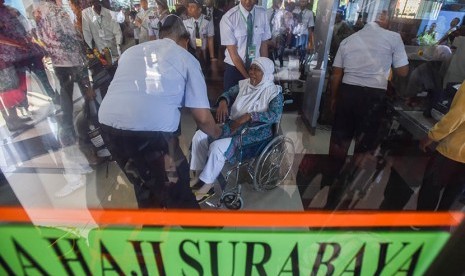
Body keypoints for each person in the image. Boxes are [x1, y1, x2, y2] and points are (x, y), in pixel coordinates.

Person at [98, 15, 221, 209]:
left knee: (142, 181)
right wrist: (218, 133)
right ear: (185, 40)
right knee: (179, 191)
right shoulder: (186, 58)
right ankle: (201, 234)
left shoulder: (132, 52)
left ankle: (152, 229)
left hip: (107, 126)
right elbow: (203, 118)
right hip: (152, 137)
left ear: (160, 34)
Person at [322, 10, 409, 209]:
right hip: (374, 97)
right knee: (365, 143)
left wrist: (334, 98)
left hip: (348, 93)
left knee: (340, 142)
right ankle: (352, 185)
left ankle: (331, 182)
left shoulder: (348, 40)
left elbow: (336, 75)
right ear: (384, 19)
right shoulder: (394, 38)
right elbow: (403, 71)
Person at [190, 57, 283, 202]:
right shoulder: (244, 84)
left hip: (256, 133)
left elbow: (274, 115)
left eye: (257, 70)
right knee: (199, 136)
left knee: (217, 147)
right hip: (234, 125)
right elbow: (228, 93)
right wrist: (222, 102)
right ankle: (200, 175)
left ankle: (208, 186)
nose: (252, 72)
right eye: (251, 68)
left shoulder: (273, 92)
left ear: (266, 73)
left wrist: (248, 116)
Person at [34, 0, 95, 143]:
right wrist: (82, 47)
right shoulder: (58, 11)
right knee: (85, 87)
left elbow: (40, 37)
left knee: (65, 91)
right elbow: (71, 34)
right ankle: (92, 121)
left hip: (57, 61)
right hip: (72, 58)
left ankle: (68, 130)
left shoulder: (38, 13)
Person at [417, 80, 465, 210]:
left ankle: (417, 227)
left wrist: (432, 136)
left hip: (452, 151)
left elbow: (458, 115)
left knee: (429, 192)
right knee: (449, 202)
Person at [220, 0, 271, 90]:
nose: (247, 2)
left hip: (256, 67)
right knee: (232, 101)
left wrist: (265, 71)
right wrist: (249, 78)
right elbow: (234, 55)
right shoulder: (228, 18)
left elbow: (264, 45)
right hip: (234, 69)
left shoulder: (262, 14)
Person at [183, 0, 215, 66]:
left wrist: (212, 58)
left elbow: (210, 39)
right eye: (188, 7)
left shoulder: (207, 20)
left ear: (199, 9)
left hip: (205, 51)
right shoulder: (186, 21)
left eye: (192, 7)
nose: (189, 9)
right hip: (192, 51)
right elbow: (184, 40)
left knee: (206, 69)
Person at [292, 0, 315, 70]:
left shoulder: (310, 13)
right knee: (295, 52)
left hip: (304, 35)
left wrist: (310, 41)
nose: (302, 3)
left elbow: (310, 27)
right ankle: (294, 68)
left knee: (303, 53)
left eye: (304, 1)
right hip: (295, 35)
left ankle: (301, 68)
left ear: (307, 2)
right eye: (301, 1)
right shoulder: (294, 11)